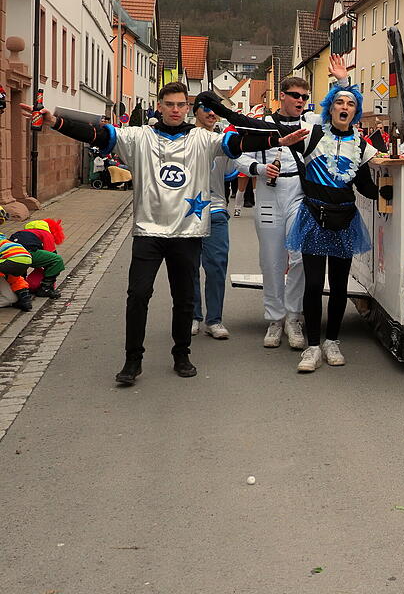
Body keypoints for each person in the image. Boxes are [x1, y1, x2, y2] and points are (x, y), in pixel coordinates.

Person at [21, 82, 308, 385]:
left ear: (188, 108)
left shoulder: (203, 138)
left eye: (181, 104)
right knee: (138, 295)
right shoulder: (139, 137)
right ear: (159, 106)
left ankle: (181, 354)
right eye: (169, 104)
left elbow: (237, 145)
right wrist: (56, 122)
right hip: (149, 232)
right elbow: (100, 134)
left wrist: (276, 139)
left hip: (188, 232)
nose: (175, 109)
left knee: (184, 298)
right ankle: (133, 361)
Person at [198, 81, 386, 372]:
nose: (344, 108)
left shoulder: (362, 145)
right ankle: (302, 339)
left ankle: (328, 340)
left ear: (357, 111)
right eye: (339, 102)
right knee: (302, 278)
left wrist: (388, 193)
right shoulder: (312, 134)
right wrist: (222, 108)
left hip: (344, 220)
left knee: (336, 287)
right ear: (330, 107)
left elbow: (365, 185)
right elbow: (250, 125)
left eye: (350, 104)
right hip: (308, 213)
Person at [233, 62, 349, 350]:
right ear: (281, 95)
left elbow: (338, 114)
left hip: (299, 193)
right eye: (295, 95)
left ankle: (293, 317)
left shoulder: (310, 124)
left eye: (304, 97)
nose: (300, 101)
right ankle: (274, 319)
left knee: (299, 258)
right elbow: (238, 155)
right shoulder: (261, 123)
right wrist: (259, 168)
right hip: (270, 196)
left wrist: (342, 82)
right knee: (272, 260)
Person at [190, 103, 239, 340]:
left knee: (217, 265)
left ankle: (214, 320)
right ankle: (192, 315)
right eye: (206, 109)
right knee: (189, 266)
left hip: (217, 210)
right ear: (195, 112)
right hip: (187, 212)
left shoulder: (223, 141)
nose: (211, 113)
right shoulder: (184, 139)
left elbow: (234, 168)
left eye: (215, 110)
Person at [9, 218, 66, 297]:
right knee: (57, 260)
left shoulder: (21, 232)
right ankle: (46, 288)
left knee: (21, 264)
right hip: (26, 254)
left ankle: (22, 289)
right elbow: (51, 254)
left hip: (10, 255)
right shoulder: (46, 233)